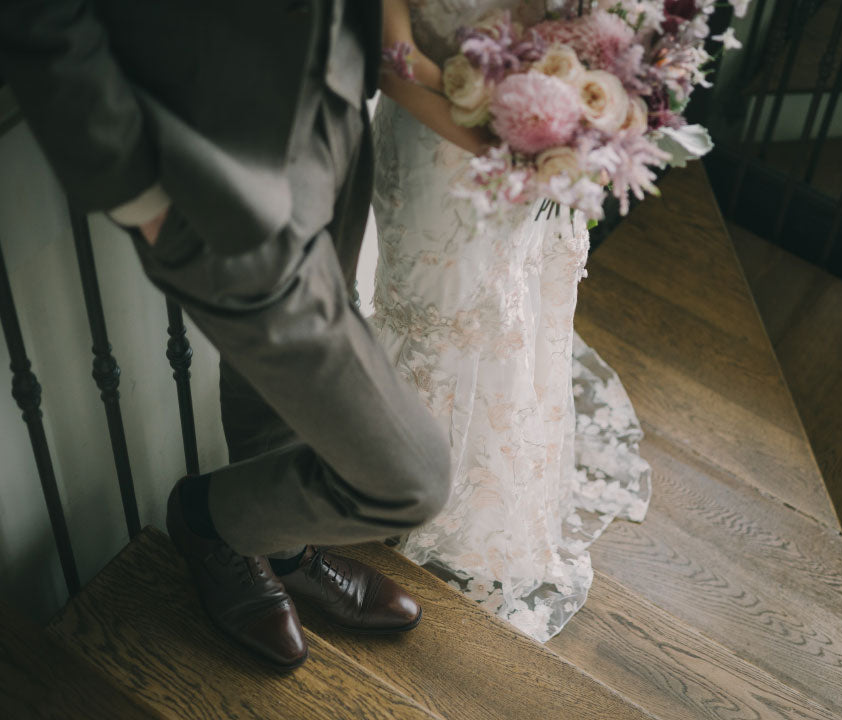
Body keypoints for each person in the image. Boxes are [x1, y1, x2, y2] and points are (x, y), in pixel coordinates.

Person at [0, 0, 452, 670]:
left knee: (277, 381)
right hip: (206, 161)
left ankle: (280, 545)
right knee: (409, 480)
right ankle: (210, 523)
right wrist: (138, 193)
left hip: (336, 88)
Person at [373, 0, 652, 642]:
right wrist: (514, 148)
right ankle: (399, 482)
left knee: (511, 308)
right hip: (439, 140)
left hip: (541, 150)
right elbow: (394, 62)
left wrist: (577, 128)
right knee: (439, 318)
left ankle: (483, 505)